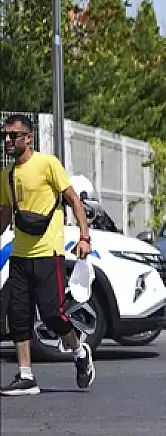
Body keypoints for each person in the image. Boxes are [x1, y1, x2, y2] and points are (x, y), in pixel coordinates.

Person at [0, 114, 96, 396]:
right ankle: (26, 376)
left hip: (48, 253)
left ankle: (79, 352)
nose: (8, 140)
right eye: (5, 135)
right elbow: (5, 214)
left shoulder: (47, 164)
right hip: (20, 255)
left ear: (29, 138)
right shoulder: (6, 175)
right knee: (18, 315)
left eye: (14, 135)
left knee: (53, 315)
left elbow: (74, 201)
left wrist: (84, 237)